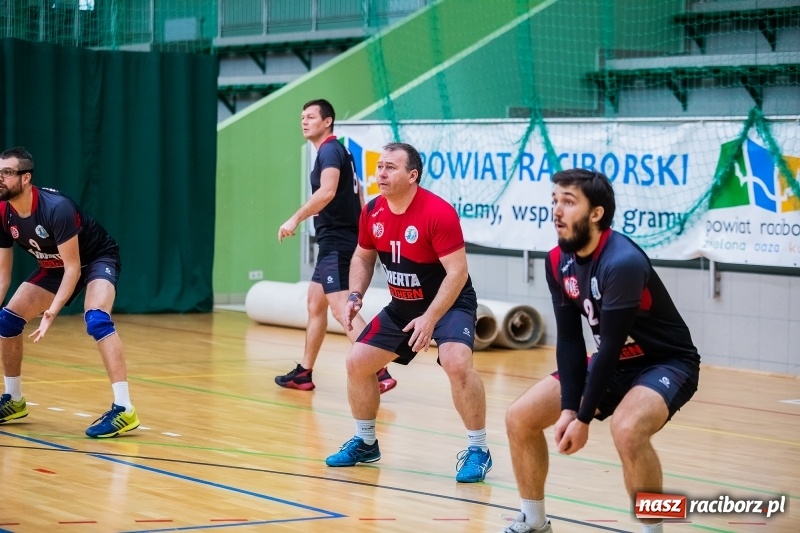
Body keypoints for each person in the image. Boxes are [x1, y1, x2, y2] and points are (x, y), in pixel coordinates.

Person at [498, 169, 700, 533]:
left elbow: (607, 349)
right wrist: (567, 407)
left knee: (627, 429)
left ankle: (653, 529)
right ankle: (533, 520)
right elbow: (572, 341)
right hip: (614, 360)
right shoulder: (557, 261)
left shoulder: (622, 262)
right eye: (554, 201)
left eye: (569, 202)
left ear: (596, 214)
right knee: (520, 417)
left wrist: (582, 417)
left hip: (663, 362)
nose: (557, 211)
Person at [325, 142, 493, 483]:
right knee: (357, 362)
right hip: (403, 308)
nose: (381, 173)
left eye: (390, 167)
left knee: (456, 361)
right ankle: (366, 442)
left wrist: (431, 318)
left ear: (412, 175)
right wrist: (355, 293)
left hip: (450, 304)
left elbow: (457, 273)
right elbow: (362, 256)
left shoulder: (438, 212)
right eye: (380, 166)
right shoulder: (372, 211)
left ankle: (478, 449)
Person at [0, 146, 140, 438]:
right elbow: (3, 274)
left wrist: (53, 312)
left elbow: (74, 269)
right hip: (54, 267)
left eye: (7, 173)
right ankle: (14, 399)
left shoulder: (55, 208)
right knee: (7, 321)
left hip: (94, 259)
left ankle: (124, 408)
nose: (0, 178)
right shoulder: (3, 211)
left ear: (26, 178)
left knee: (97, 320)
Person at [275, 99, 396, 393]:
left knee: (344, 310)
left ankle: (379, 370)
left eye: (311, 116)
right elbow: (358, 196)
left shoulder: (330, 149)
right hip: (339, 239)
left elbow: (327, 192)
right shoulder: (339, 151)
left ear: (327, 121)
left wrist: (295, 219)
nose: (304, 121)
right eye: (302, 116)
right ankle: (303, 373)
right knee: (315, 303)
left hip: (337, 243)